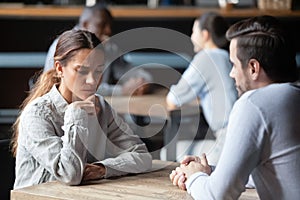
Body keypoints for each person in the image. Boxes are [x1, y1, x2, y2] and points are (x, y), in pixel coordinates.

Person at [169, 15, 300, 199]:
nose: (231, 74)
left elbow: (217, 196)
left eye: (234, 64)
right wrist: (207, 172)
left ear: (253, 68)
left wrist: (193, 177)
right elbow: (267, 171)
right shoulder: (292, 95)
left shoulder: (254, 103)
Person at [12, 29, 152, 189]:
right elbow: (69, 174)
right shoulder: (36, 115)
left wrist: (102, 169)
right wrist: (75, 115)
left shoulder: (101, 106)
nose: (92, 81)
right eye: (82, 70)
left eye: (98, 71)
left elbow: (142, 156)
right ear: (59, 68)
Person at [165, 12, 237, 164]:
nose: (191, 37)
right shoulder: (225, 56)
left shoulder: (206, 57)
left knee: (167, 153)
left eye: (194, 32)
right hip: (234, 135)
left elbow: (173, 99)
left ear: (205, 35)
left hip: (226, 143)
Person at [44, 3, 152, 96]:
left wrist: (143, 81)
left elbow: (127, 69)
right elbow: (79, 89)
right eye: (102, 25)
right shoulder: (63, 46)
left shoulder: (107, 46)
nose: (108, 30)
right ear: (85, 24)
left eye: (110, 25)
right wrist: (122, 91)